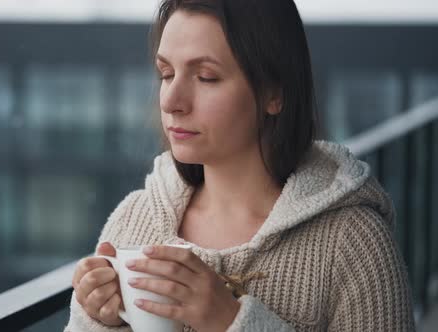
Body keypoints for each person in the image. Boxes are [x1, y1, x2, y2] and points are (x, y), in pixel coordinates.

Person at [65, 0, 414, 331]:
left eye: (206, 77)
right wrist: (99, 321)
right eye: (166, 74)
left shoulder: (354, 242)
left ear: (274, 93)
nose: (171, 101)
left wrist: (231, 321)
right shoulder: (133, 220)